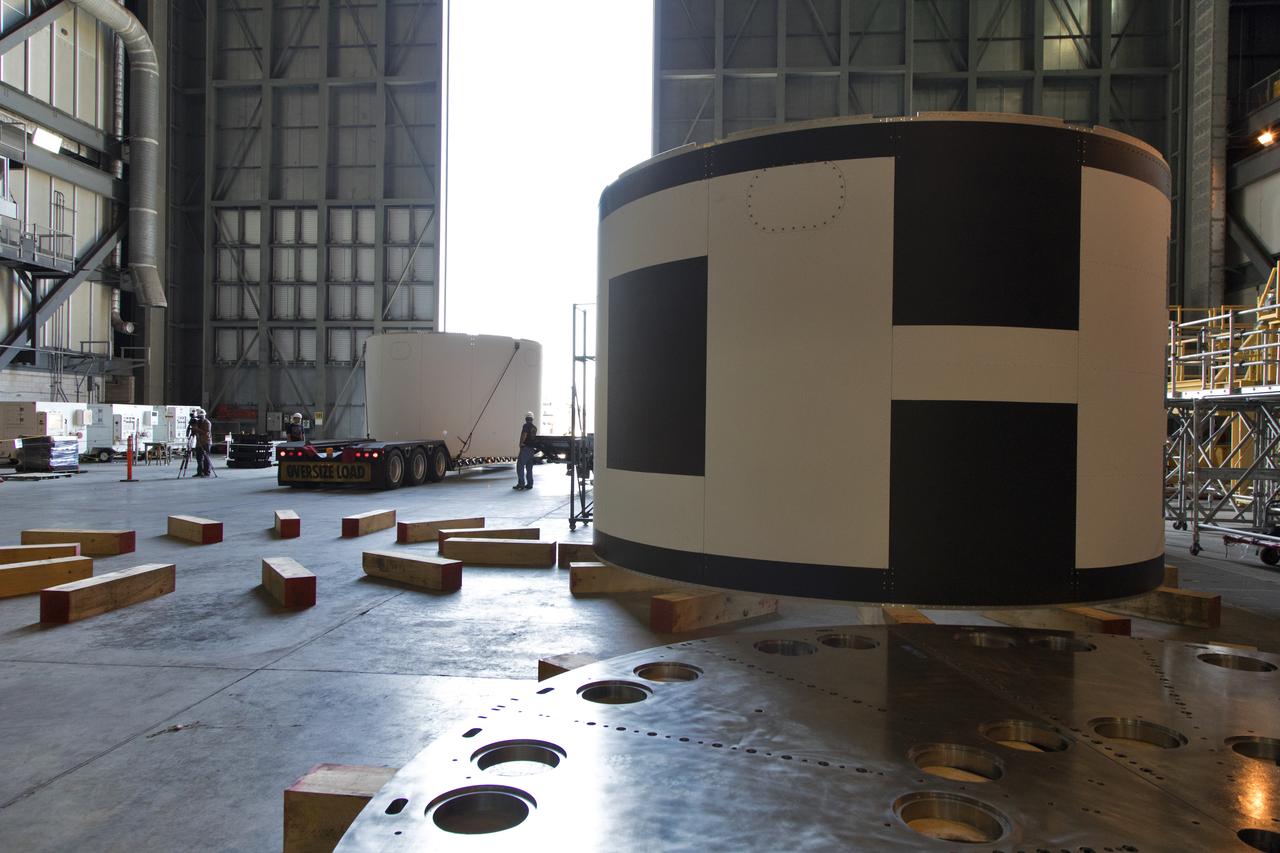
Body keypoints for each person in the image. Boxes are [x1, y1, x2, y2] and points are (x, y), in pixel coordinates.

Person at [514, 411, 537, 490]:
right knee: (529, 468)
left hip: (526, 448)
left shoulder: (526, 426)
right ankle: (530, 484)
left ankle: (521, 484)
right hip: (531, 450)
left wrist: (521, 443)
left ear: (526, 418)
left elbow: (524, 434)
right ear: (532, 419)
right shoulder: (534, 427)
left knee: (520, 466)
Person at [190, 409, 212, 477]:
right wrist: (193, 429)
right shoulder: (198, 423)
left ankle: (207, 472)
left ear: (203, 416)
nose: (199, 418)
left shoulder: (207, 423)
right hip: (199, 442)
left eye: (200, 417)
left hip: (206, 442)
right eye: (198, 417)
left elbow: (206, 433)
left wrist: (196, 429)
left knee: (206, 457)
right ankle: (200, 472)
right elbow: (194, 432)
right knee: (199, 458)